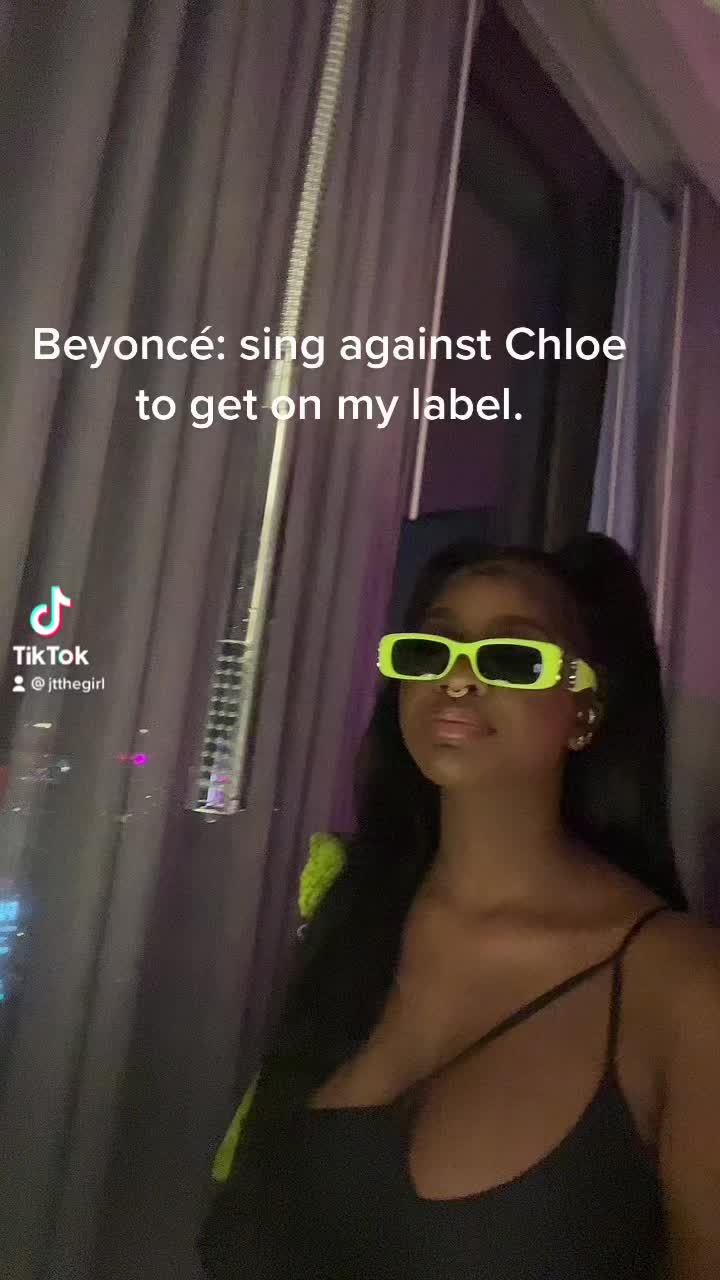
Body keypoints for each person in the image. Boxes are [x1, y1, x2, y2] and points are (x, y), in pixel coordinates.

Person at [199, 532, 720, 1279]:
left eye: (511, 658)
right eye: (429, 651)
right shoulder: (353, 914)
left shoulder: (682, 987)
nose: (458, 678)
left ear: (585, 709)